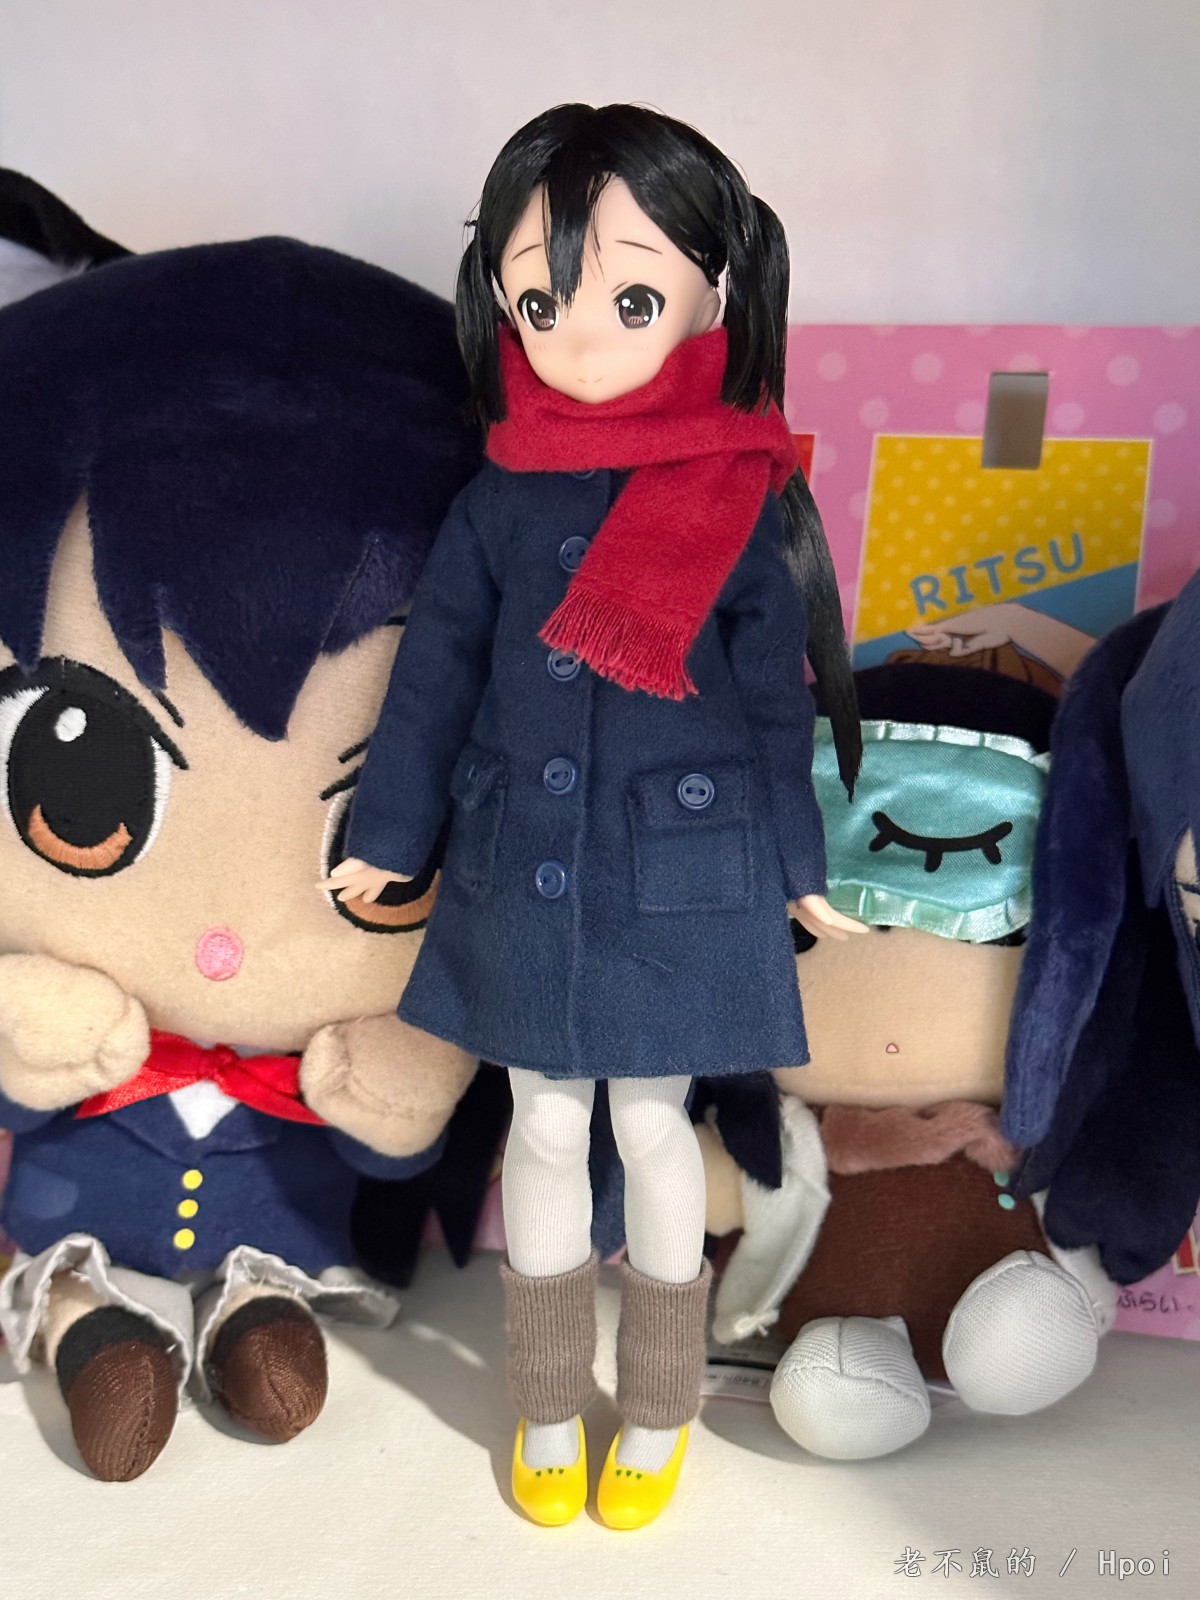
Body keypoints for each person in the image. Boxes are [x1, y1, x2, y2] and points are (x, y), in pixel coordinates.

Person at [325, 102, 863, 1528]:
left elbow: (776, 700)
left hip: (682, 870)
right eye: (539, 299)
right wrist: (390, 833)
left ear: (710, 292)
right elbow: (434, 677)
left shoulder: (737, 488)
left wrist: (798, 863)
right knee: (545, 1125)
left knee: (656, 1126)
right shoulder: (499, 497)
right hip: (526, 867)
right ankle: (550, 1398)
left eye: (630, 298)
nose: (577, 334)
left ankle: (665, 1403)